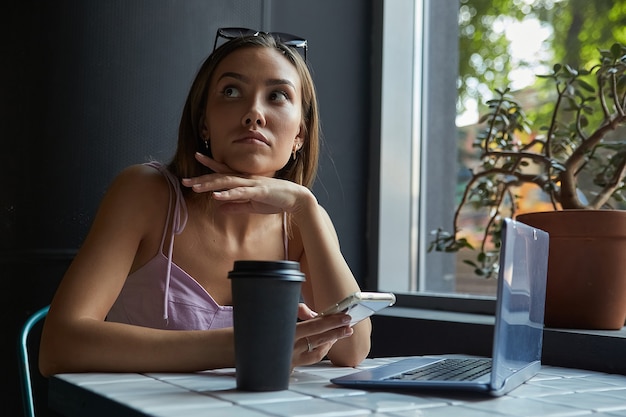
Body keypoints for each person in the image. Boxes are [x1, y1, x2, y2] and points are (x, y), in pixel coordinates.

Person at [39, 28, 371, 377]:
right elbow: (59, 347)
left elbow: (353, 349)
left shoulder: (302, 223)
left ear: (299, 136)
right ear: (204, 123)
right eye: (231, 91)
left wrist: (305, 206)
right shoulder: (146, 193)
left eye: (277, 96)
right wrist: (249, 346)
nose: (253, 113)